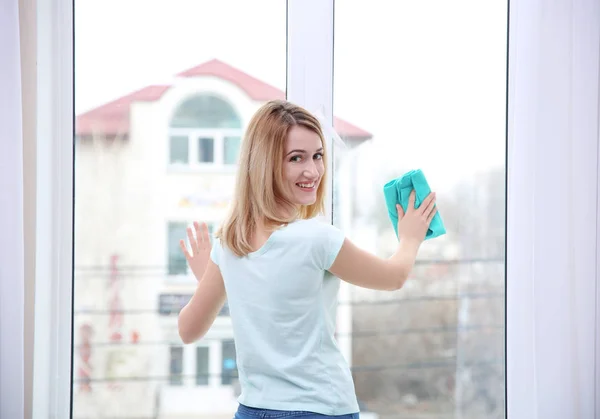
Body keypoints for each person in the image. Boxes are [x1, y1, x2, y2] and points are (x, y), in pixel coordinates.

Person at [177, 100, 437, 419]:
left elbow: (188, 330)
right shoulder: (318, 239)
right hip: (320, 409)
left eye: (317, 156)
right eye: (296, 158)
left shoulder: (229, 244)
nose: (312, 171)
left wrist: (207, 277)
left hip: (253, 410)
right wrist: (410, 238)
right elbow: (392, 277)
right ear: (264, 164)